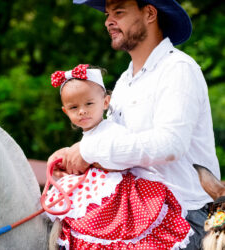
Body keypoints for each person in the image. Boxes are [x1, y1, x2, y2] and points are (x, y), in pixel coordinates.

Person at [47, 0, 221, 249]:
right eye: (108, 14)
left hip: (185, 217)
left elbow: (170, 144)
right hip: (135, 212)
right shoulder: (123, 82)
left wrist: (88, 151)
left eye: (119, 12)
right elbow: (115, 147)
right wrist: (74, 160)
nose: (108, 21)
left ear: (149, 13)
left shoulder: (178, 69)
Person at [44, 63, 192, 249]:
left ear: (105, 102)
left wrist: (93, 161)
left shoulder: (112, 130)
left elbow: (122, 160)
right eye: (74, 107)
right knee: (77, 217)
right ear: (66, 112)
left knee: (110, 228)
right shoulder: (82, 141)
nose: (82, 111)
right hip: (94, 192)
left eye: (89, 103)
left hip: (116, 195)